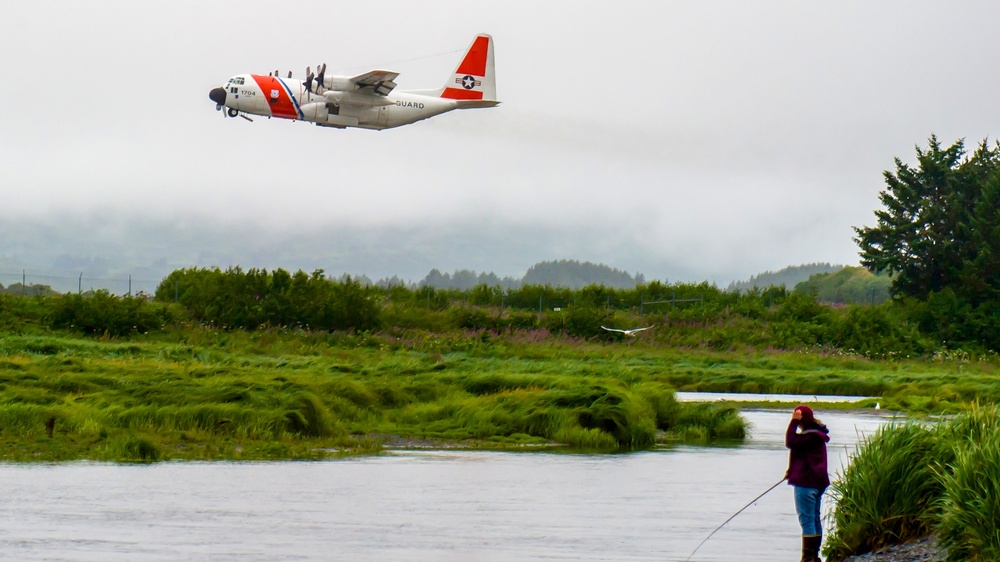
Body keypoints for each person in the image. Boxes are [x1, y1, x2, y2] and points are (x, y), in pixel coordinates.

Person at [786, 404, 830, 562]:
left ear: (800, 418)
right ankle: (814, 556)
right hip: (818, 483)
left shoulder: (808, 437)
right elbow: (803, 456)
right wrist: (791, 470)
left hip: (806, 483)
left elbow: (790, 442)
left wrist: (792, 423)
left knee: (807, 520)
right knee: (814, 518)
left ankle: (807, 558)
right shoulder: (816, 435)